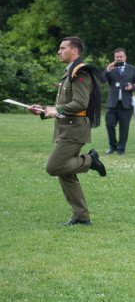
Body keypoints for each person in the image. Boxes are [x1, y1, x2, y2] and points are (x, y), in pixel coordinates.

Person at [28, 36, 107, 225]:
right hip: (67, 129)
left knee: (53, 167)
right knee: (66, 173)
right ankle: (81, 217)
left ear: (75, 51)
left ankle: (90, 160)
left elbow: (80, 103)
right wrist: (43, 110)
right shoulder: (69, 72)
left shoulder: (80, 72)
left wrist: (58, 109)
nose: (58, 51)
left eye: (63, 48)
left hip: (74, 131)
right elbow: (64, 105)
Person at [103, 48, 135, 155]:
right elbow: (102, 79)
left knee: (124, 128)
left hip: (126, 104)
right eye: (117, 57)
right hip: (112, 103)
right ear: (114, 58)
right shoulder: (111, 68)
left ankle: (121, 149)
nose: (119, 58)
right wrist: (108, 70)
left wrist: (132, 86)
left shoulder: (132, 68)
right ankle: (112, 146)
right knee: (109, 124)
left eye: (121, 56)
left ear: (125, 57)